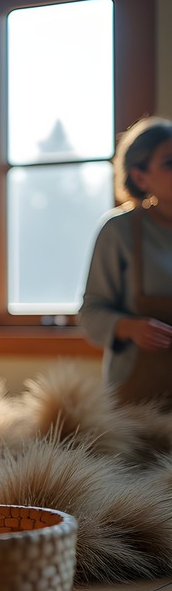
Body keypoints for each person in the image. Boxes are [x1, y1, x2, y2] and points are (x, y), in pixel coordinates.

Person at [80, 115, 172, 406]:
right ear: (140, 177)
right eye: (170, 163)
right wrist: (130, 328)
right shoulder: (118, 231)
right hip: (135, 406)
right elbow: (90, 315)